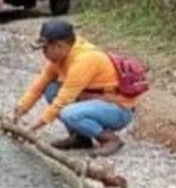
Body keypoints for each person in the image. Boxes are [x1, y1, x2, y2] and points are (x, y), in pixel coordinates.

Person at [14, 20, 139, 157]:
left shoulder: (84, 60)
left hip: (118, 109)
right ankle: (80, 138)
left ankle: (109, 139)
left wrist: (33, 128)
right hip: (94, 101)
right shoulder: (61, 56)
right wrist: (20, 109)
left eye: (45, 49)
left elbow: (62, 101)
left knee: (68, 112)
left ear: (59, 46)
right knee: (51, 89)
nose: (43, 53)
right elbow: (38, 87)